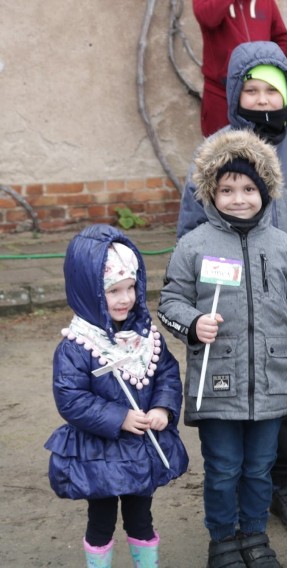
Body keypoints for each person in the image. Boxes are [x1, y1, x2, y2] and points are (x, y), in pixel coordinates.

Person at [177, 40, 287, 533]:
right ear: (235, 93)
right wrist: (190, 296)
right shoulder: (216, 151)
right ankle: (231, 487)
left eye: (271, 91)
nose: (262, 100)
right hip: (228, 300)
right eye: (250, 91)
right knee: (233, 393)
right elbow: (190, 228)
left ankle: (282, 483)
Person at [159, 129, 287, 567]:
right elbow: (169, 304)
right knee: (224, 468)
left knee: (259, 468)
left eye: (248, 188)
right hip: (218, 382)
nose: (238, 198)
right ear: (211, 192)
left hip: (273, 382)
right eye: (227, 189)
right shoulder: (193, 245)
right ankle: (223, 540)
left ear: (265, 190)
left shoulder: (285, 248)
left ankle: (253, 535)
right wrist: (193, 323)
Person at [44, 225, 189, 568]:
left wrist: (163, 408)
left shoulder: (146, 335)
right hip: (101, 453)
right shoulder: (77, 345)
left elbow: (166, 371)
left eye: (131, 288)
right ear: (88, 291)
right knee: (101, 521)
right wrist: (119, 417)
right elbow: (71, 398)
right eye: (113, 291)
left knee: (141, 517)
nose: (125, 298)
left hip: (141, 448)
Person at [193, 0, 287, 137]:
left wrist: (273, 72)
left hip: (260, 93)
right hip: (221, 94)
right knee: (221, 151)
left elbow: (281, 38)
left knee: (265, 150)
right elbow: (208, 17)